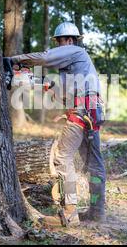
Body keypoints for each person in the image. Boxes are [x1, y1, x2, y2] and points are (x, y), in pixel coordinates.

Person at [7, 21, 106, 226]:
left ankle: (69, 214)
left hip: (83, 112)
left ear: (69, 40)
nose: (60, 46)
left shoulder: (75, 52)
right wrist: (47, 85)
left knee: (62, 157)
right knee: (95, 165)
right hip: (92, 112)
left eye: (60, 42)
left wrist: (12, 60)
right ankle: (97, 211)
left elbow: (44, 58)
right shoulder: (73, 67)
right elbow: (64, 95)